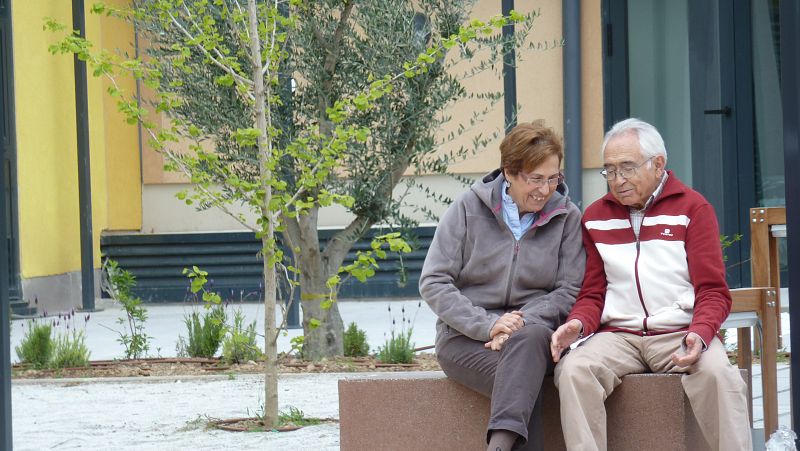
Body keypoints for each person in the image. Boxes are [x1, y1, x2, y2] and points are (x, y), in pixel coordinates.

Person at [550, 118, 752, 450]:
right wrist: (577, 324)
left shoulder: (693, 209)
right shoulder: (595, 218)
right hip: (619, 336)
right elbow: (593, 292)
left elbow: (713, 291)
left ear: (658, 164)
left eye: (627, 168)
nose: (618, 180)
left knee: (718, 375)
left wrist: (700, 334)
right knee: (574, 370)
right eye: (610, 171)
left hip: (679, 331)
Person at [419, 120, 585, 451]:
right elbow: (434, 281)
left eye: (553, 178)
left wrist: (515, 325)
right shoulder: (467, 209)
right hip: (464, 341)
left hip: (533, 337)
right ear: (509, 172)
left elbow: (568, 290)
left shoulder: (567, 217)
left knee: (529, 348)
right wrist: (489, 325)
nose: (545, 188)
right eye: (535, 179)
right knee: (525, 381)